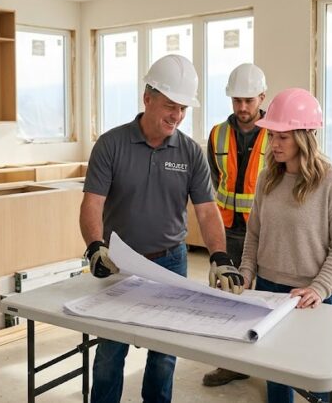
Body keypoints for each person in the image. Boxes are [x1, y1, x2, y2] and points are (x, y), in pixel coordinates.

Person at [80, 54, 245, 403]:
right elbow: (92, 202)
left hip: (171, 262)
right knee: (111, 352)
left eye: (183, 108)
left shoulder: (189, 152)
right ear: (147, 98)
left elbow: (206, 210)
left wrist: (219, 255)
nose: (177, 115)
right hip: (119, 263)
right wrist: (95, 246)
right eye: (171, 105)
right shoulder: (111, 144)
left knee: (164, 355)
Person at [239, 88, 332, 403]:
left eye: (283, 137)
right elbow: (254, 234)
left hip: (312, 297)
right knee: (277, 375)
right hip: (268, 289)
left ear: (305, 136)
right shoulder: (267, 179)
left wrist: (319, 288)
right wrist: (246, 272)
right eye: (272, 135)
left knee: (321, 382)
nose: (273, 144)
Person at [201, 63, 268, 387]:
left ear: (261, 97)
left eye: (249, 101)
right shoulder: (217, 134)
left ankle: (270, 362)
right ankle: (230, 364)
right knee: (225, 299)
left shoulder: (276, 133)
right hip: (227, 230)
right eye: (236, 100)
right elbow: (216, 180)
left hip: (265, 233)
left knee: (264, 298)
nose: (242, 108)